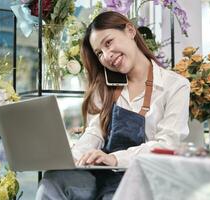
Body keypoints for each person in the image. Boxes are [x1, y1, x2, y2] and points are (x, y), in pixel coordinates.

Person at [36, 11, 190, 200]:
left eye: (108, 42)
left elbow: (168, 145)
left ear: (130, 31)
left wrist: (115, 159)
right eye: (99, 53)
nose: (107, 56)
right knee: (53, 180)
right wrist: (73, 157)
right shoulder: (105, 87)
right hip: (102, 176)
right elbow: (95, 132)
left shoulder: (175, 85)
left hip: (145, 179)